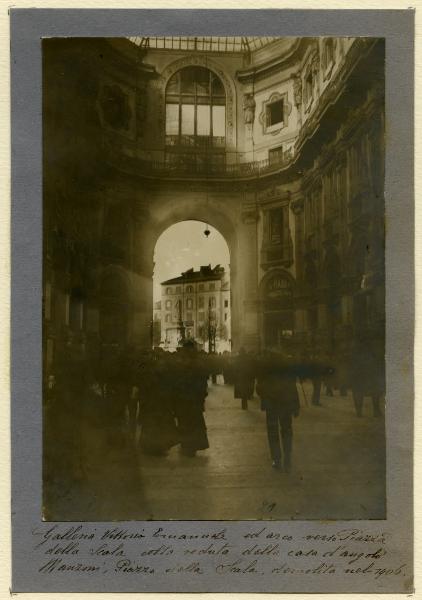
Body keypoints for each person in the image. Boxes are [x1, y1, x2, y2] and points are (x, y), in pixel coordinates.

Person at [256, 353, 300, 472]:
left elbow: (259, 388)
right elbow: (293, 388)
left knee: (272, 432)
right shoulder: (287, 369)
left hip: (272, 405)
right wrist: (296, 406)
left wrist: (265, 397)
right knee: (287, 430)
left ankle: (276, 459)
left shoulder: (265, 369)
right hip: (285, 404)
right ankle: (287, 457)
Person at [173, 340, 209, 457]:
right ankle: (192, 445)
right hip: (193, 398)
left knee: (185, 422)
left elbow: (176, 381)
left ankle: (187, 445)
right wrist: (202, 395)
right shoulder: (199, 363)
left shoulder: (181, 363)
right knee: (194, 422)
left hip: (184, 398)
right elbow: (203, 382)